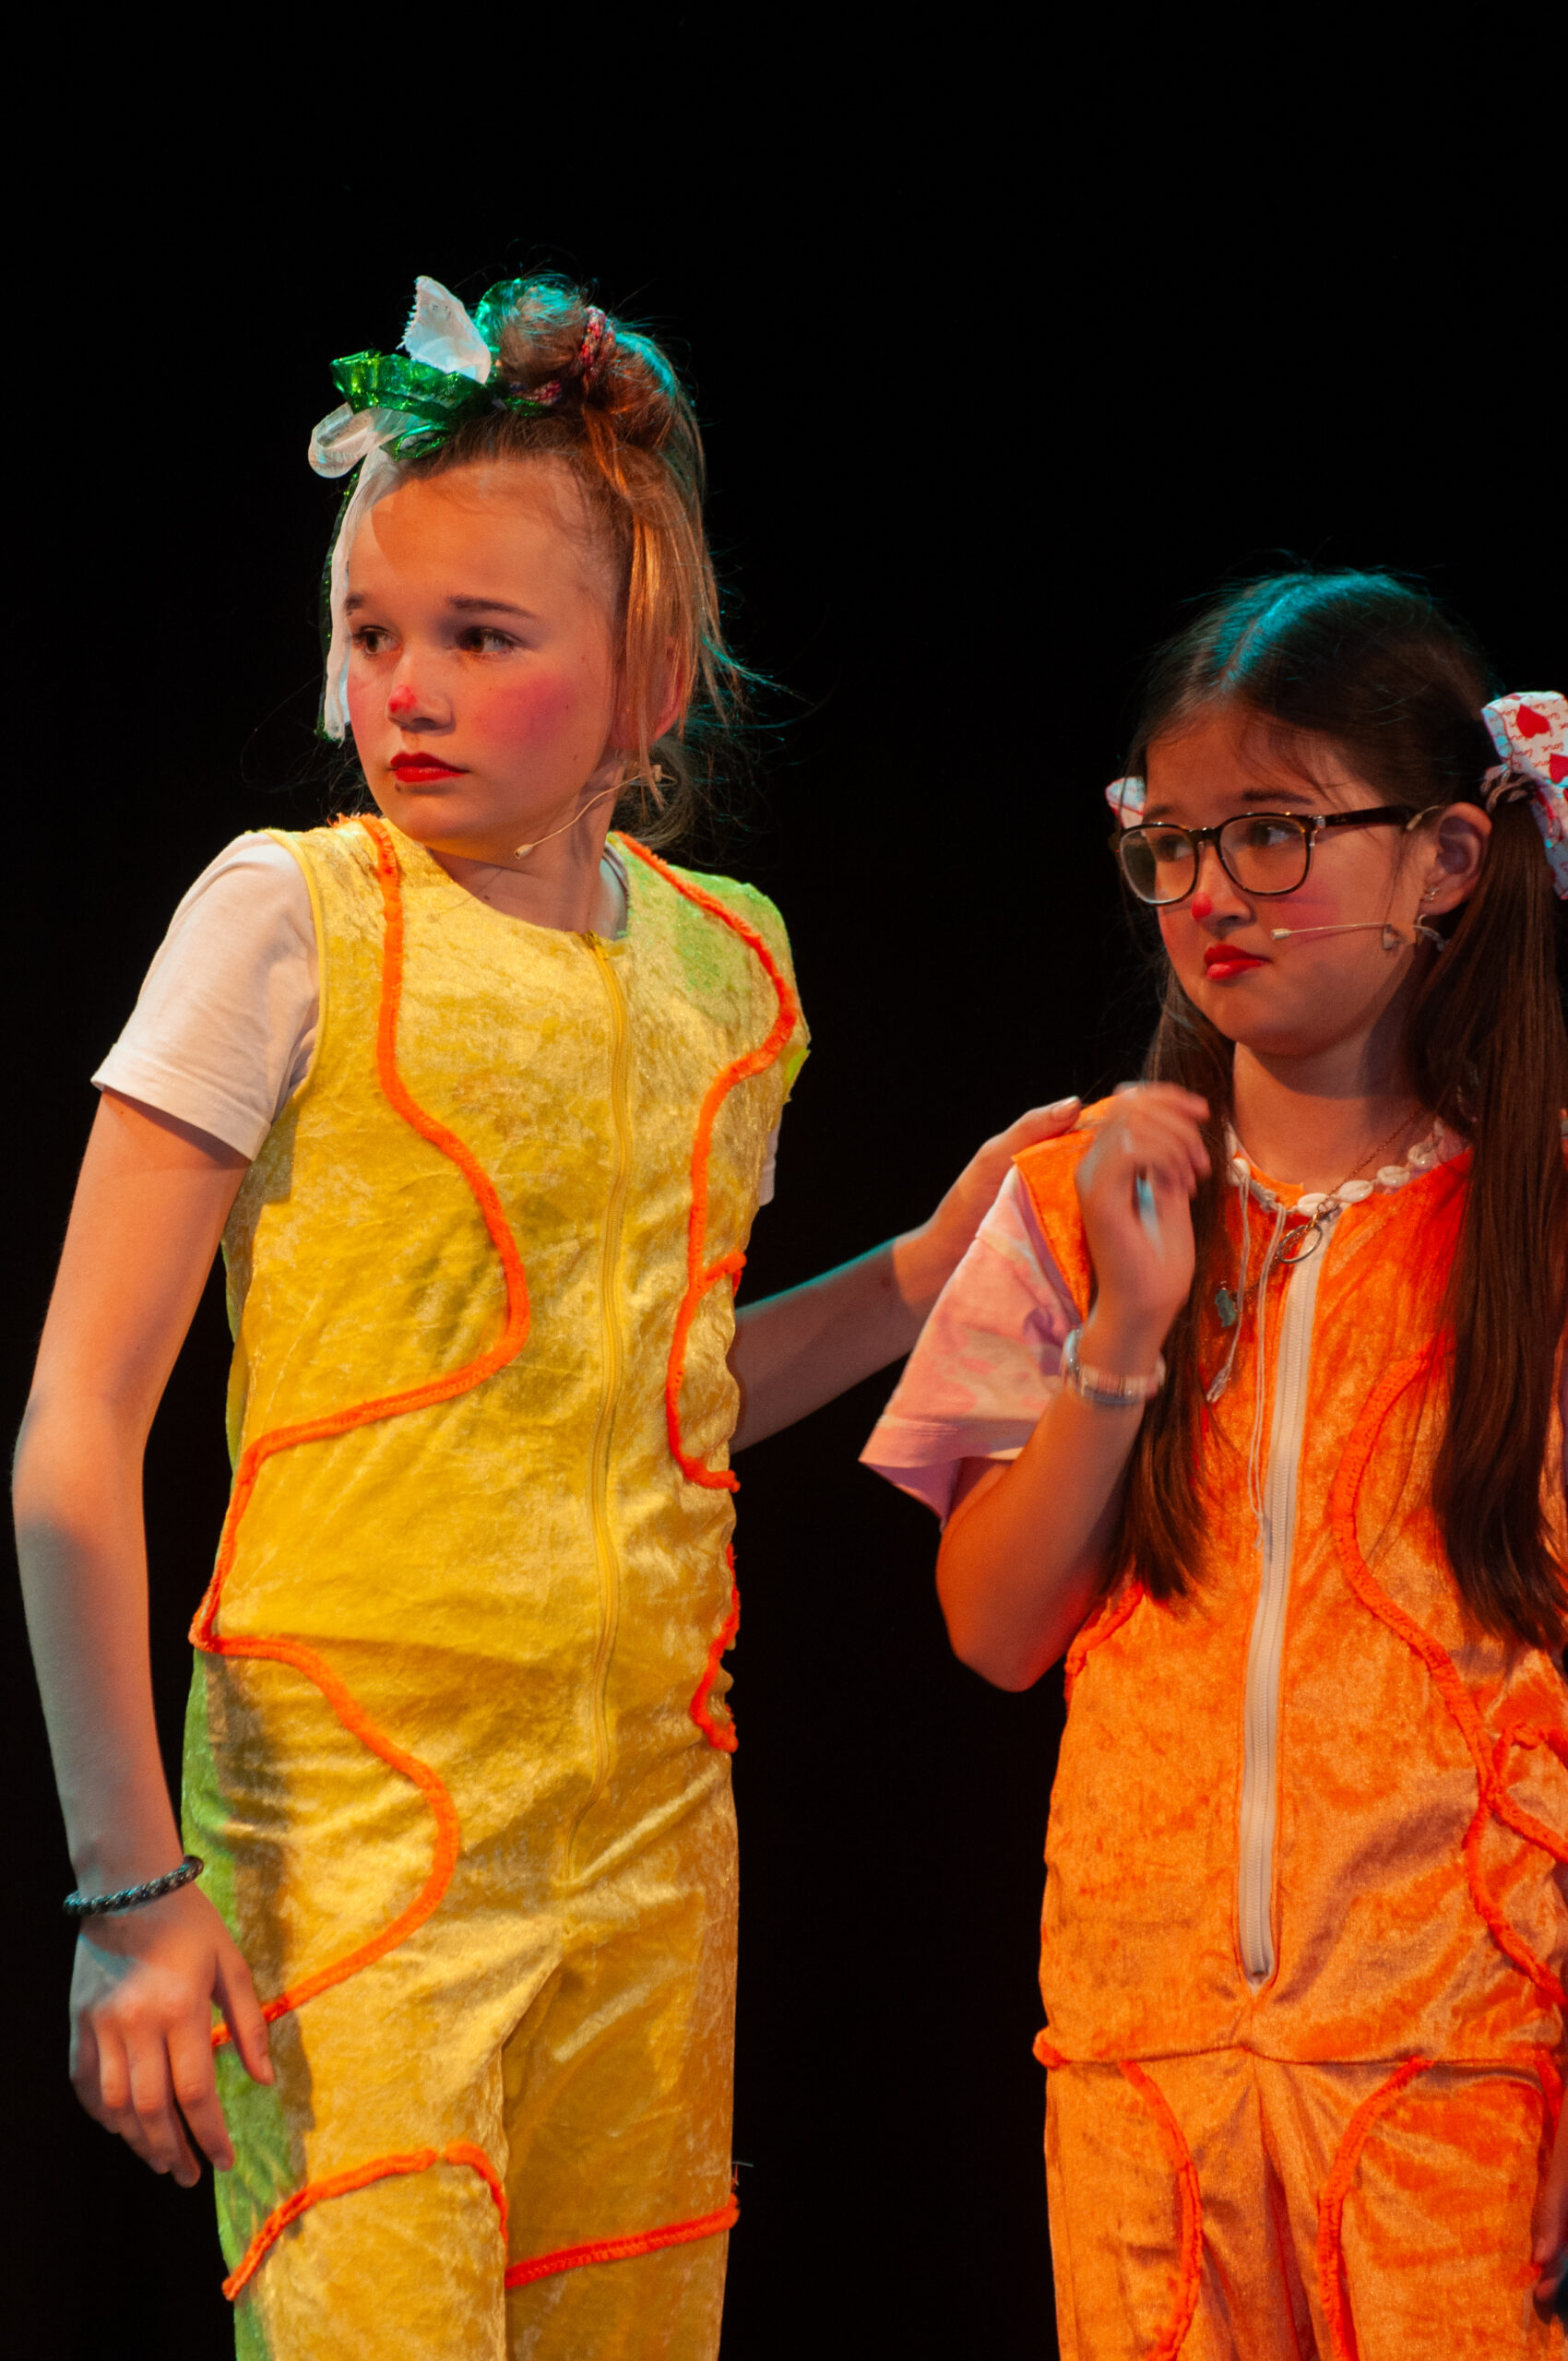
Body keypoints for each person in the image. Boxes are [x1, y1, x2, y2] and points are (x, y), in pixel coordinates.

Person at [13, 273, 1076, 2361]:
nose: (403, 689)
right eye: (372, 633)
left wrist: (922, 1269)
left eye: (481, 638)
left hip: (649, 1843)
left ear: (649, 678)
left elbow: (671, 1398)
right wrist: (130, 1890)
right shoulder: (290, 918)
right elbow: (74, 1430)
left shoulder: (726, 969)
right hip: (357, 1829)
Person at [863, 573, 1568, 2358]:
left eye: (1273, 831)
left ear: (1445, 858)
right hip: (1148, 2082)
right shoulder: (1073, 1202)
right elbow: (991, 1627)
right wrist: (1126, 1330)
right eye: (1170, 843)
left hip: (1464, 2070)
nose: (1212, 896)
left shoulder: (1544, 1213)